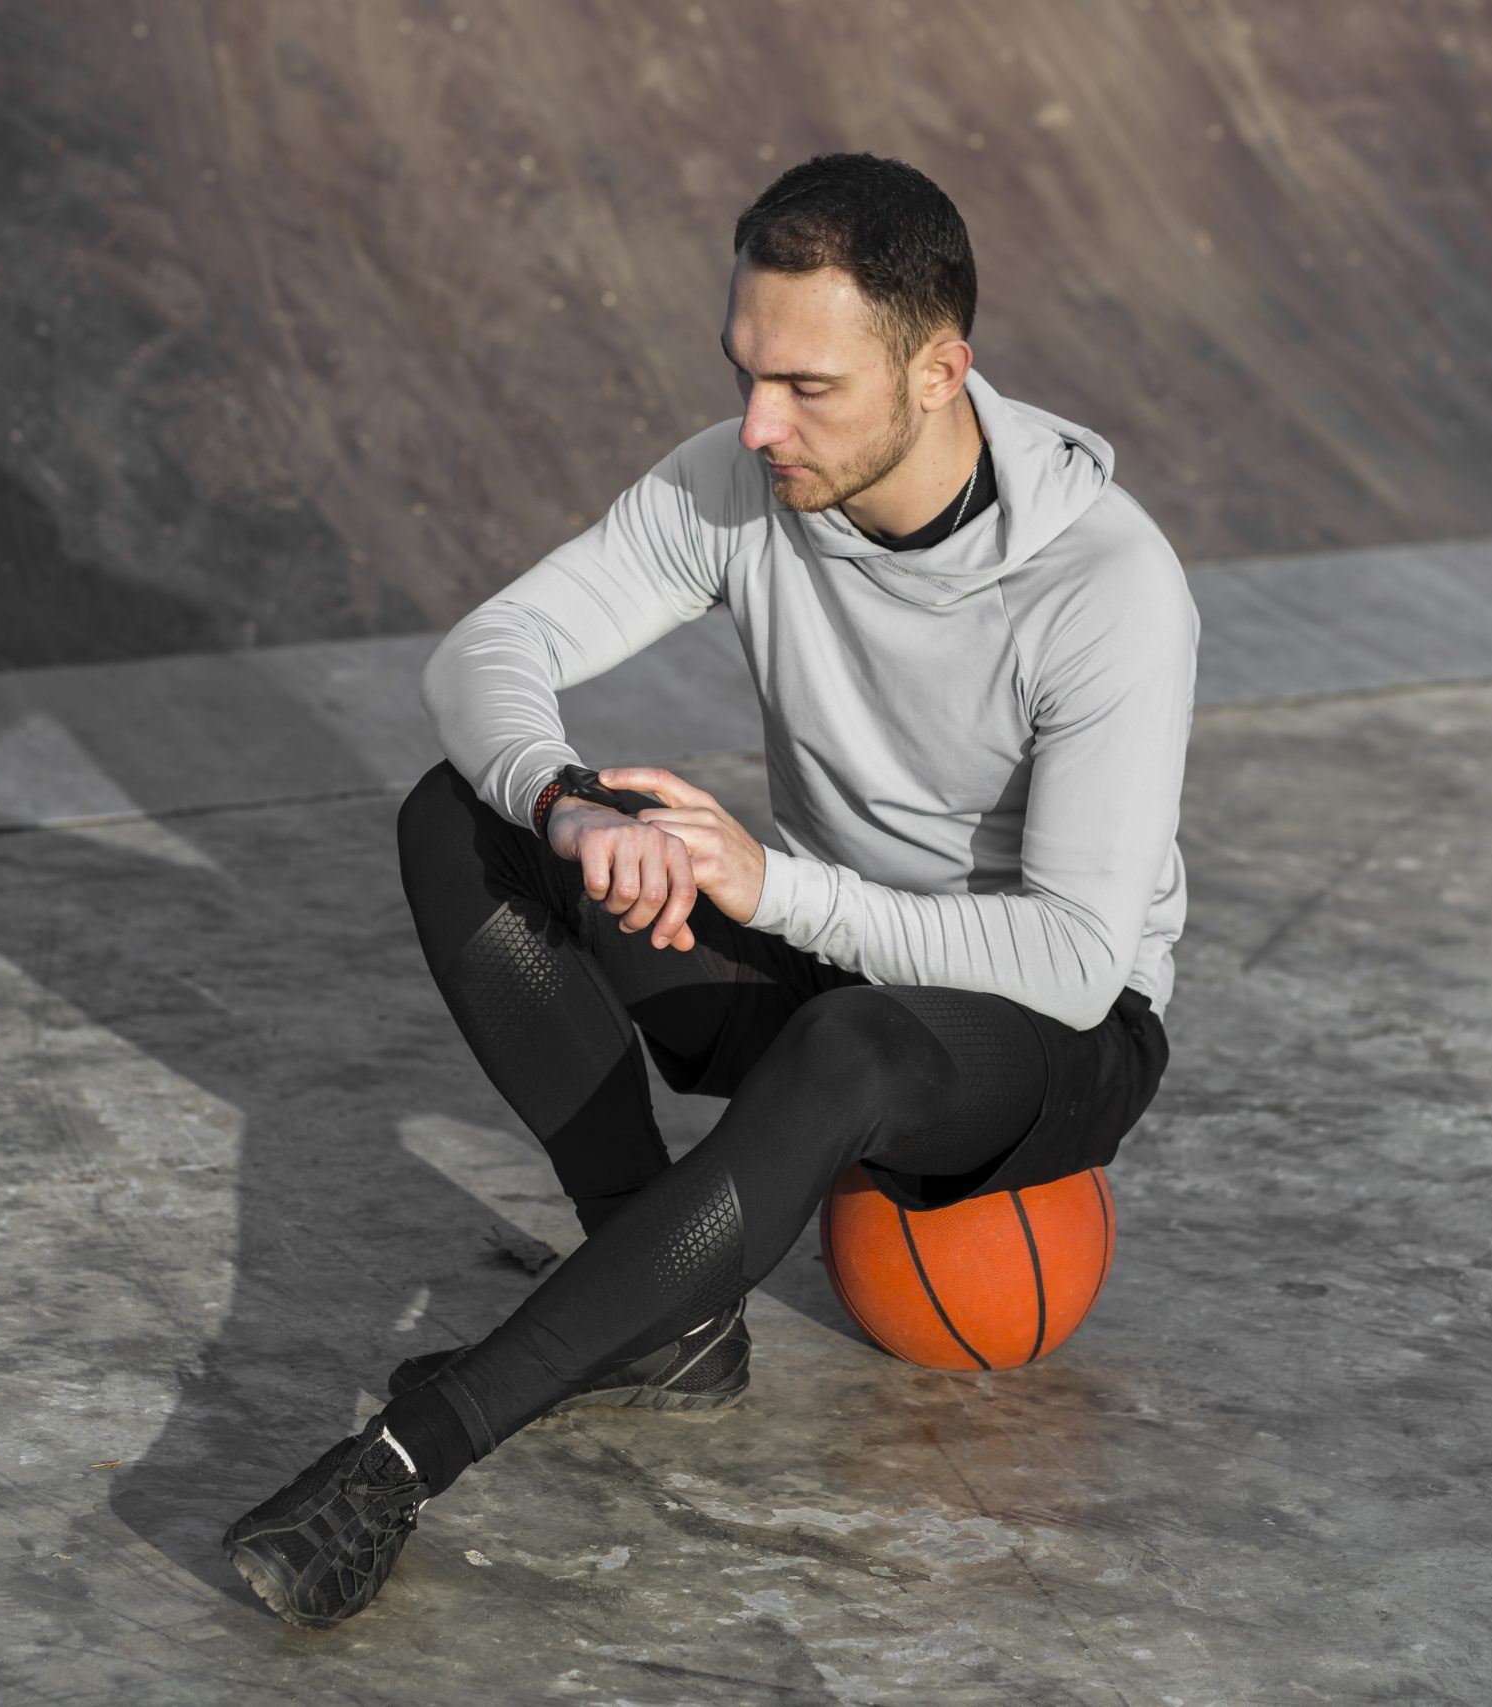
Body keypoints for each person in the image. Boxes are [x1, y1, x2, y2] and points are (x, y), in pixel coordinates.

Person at [220, 151, 1198, 1629]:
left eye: (808, 386)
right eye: (745, 371)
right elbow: (480, 659)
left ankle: (406, 1464)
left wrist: (770, 885)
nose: (759, 424)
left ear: (941, 372)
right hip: (821, 947)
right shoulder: (740, 482)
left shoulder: (1106, 588)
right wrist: (563, 804)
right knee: (463, 818)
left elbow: (1070, 959)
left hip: (1037, 1031)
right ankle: (664, 1323)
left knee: (852, 1043)